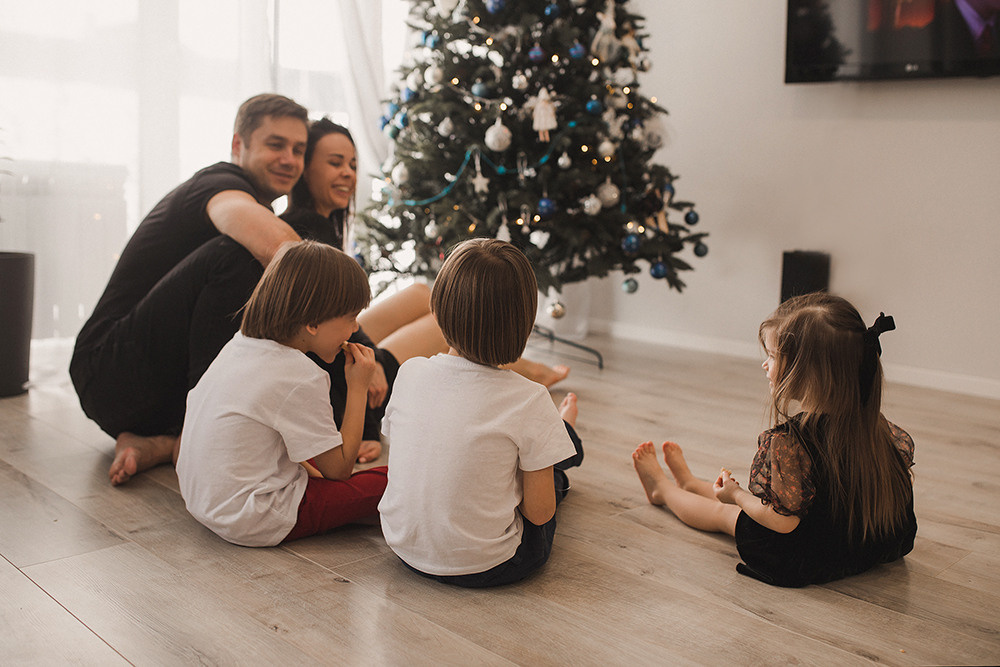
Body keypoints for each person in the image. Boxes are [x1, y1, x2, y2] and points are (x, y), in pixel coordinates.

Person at [280, 118, 571, 462]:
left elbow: (334, 318)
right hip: (345, 378)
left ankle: (519, 366)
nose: (347, 173)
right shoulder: (305, 230)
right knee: (446, 322)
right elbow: (315, 348)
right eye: (334, 163)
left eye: (352, 164)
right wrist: (364, 418)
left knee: (422, 292)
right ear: (304, 167)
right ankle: (521, 370)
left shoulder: (319, 222)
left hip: (336, 349)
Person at [70, 93, 310, 486]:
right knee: (240, 252)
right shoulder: (219, 184)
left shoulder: (251, 196)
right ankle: (202, 433)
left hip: (147, 393)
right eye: (275, 144)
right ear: (238, 145)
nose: (289, 159)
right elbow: (277, 246)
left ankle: (164, 442)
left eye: (298, 149)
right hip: (108, 369)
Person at [631, 292, 917, 587]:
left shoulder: (788, 444)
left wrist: (737, 496)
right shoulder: (878, 427)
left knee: (723, 513)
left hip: (805, 555)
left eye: (772, 356)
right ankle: (690, 483)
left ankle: (663, 490)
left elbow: (783, 521)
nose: (765, 366)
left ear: (809, 372)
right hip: (869, 542)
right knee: (749, 501)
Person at [378, 238, 585, 588]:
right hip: (489, 565)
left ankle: (558, 437)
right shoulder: (529, 397)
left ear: (439, 310)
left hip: (403, 547)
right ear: (524, 321)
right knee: (550, 478)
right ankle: (564, 435)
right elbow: (539, 513)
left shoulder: (409, 372)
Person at [176, 241, 387, 547]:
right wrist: (357, 387)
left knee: (344, 486)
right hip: (253, 516)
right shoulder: (299, 374)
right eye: (350, 318)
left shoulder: (240, 344)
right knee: (394, 479)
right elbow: (340, 470)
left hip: (204, 500)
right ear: (313, 323)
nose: (354, 329)